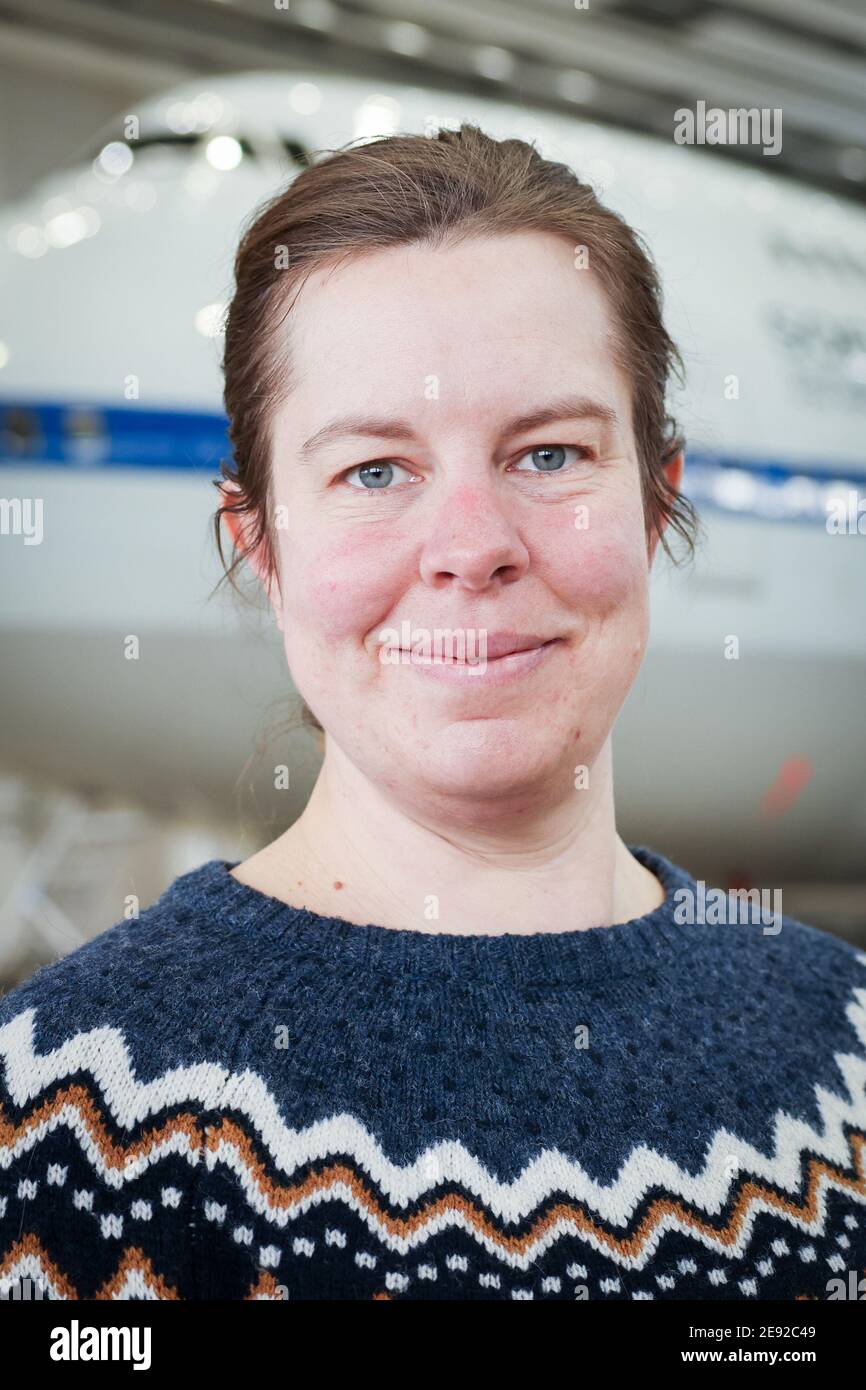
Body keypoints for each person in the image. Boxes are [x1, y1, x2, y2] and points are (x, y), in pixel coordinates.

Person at [1, 125, 864, 1302]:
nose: (471, 547)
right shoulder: (68, 1112)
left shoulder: (843, 1050)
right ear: (258, 544)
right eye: (372, 471)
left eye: (550, 454)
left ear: (656, 507)